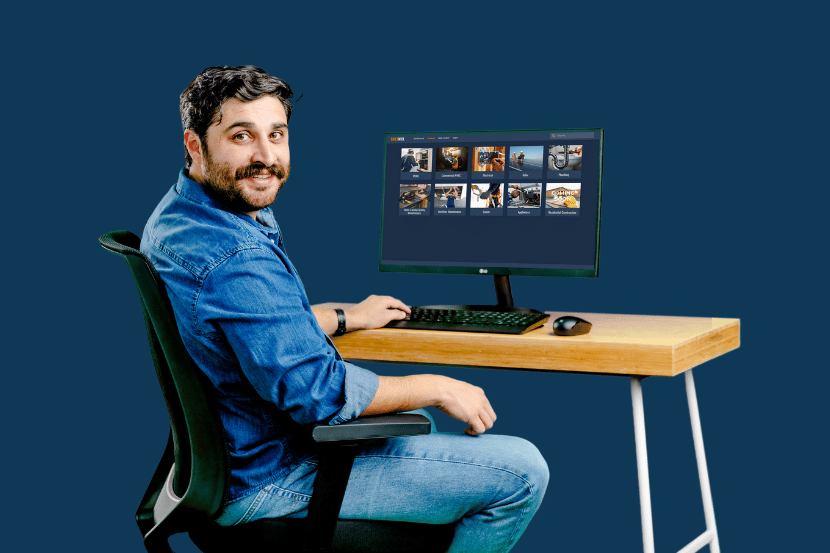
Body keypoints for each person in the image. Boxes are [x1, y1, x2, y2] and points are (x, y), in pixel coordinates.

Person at [141, 66, 548, 553]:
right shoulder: (235, 256)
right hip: (270, 478)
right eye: (241, 136)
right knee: (521, 470)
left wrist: (344, 316)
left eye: (277, 134)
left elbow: (243, 331)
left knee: (415, 420)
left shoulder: (182, 218)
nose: (266, 156)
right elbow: (315, 393)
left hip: (229, 465)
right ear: (194, 143)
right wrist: (438, 385)